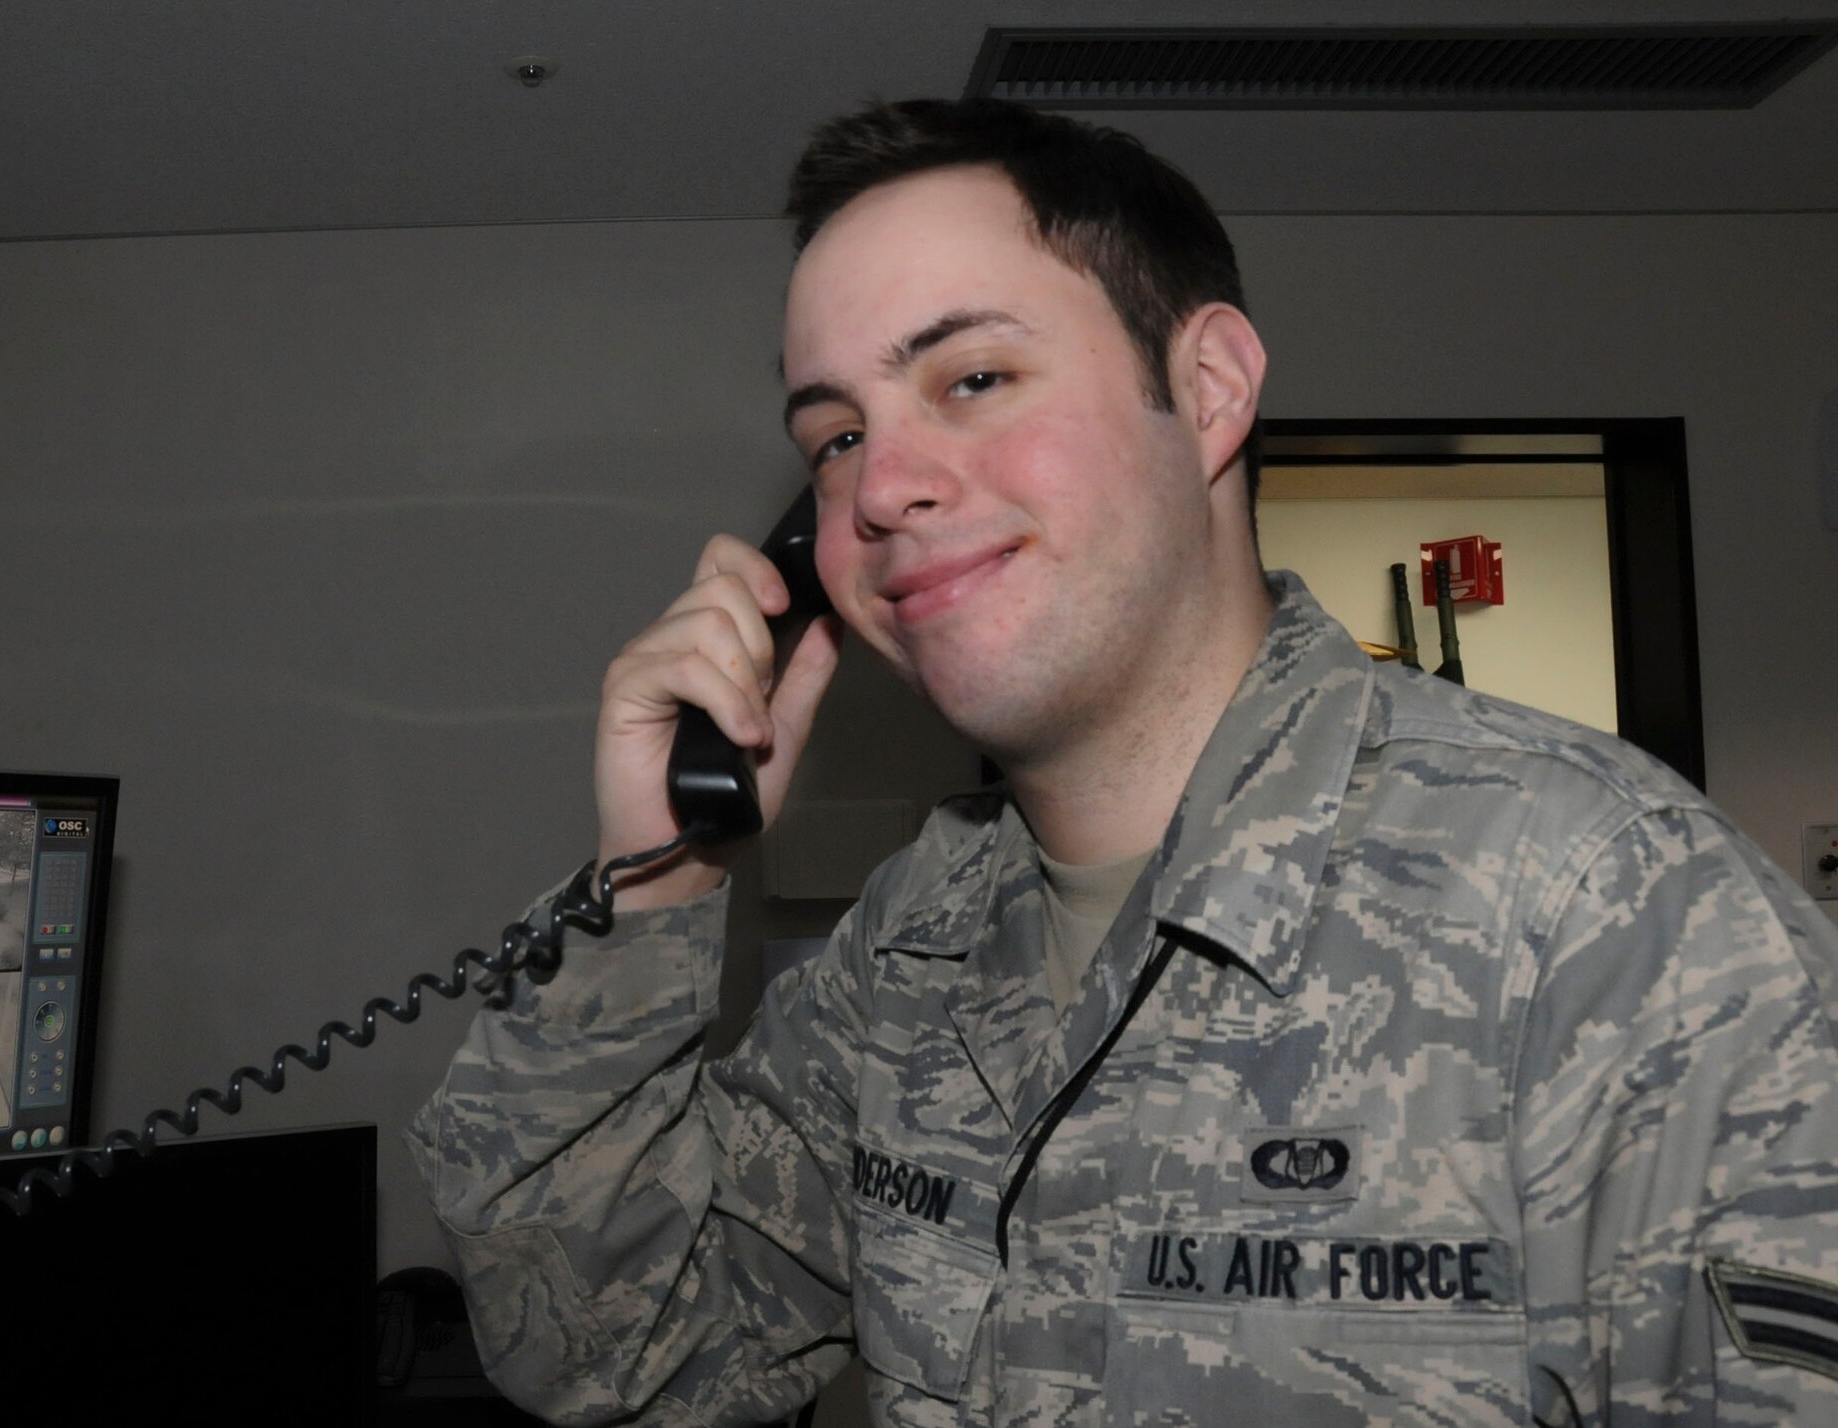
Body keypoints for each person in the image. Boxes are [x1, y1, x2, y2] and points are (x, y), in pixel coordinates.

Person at [409, 98, 1838, 1426]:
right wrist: (651, 885)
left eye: (973, 376)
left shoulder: (1613, 919)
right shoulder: (916, 943)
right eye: (835, 436)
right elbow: (612, 1356)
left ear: (1208, 388)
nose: (881, 484)